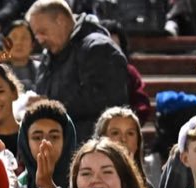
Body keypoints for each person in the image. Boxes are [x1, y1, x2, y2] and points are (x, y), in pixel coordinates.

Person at [25, 0, 129, 138]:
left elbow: (106, 100)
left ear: (60, 20)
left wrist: (51, 106)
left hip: (92, 150)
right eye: (36, 34)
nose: (39, 40)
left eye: (42, 32)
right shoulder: (48, 56)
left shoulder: (98, 48)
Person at [11, 100, 76, 188]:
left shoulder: (81, 182)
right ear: (26, 144)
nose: (45, 143)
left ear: (66, 141)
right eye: (37, 137)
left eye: (54, 137)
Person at [94, 106, 148, 180]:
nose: (123, 139)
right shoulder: (93, 182)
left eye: (130, 133)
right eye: (115, 133)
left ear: (138, 142)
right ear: (101, 139)